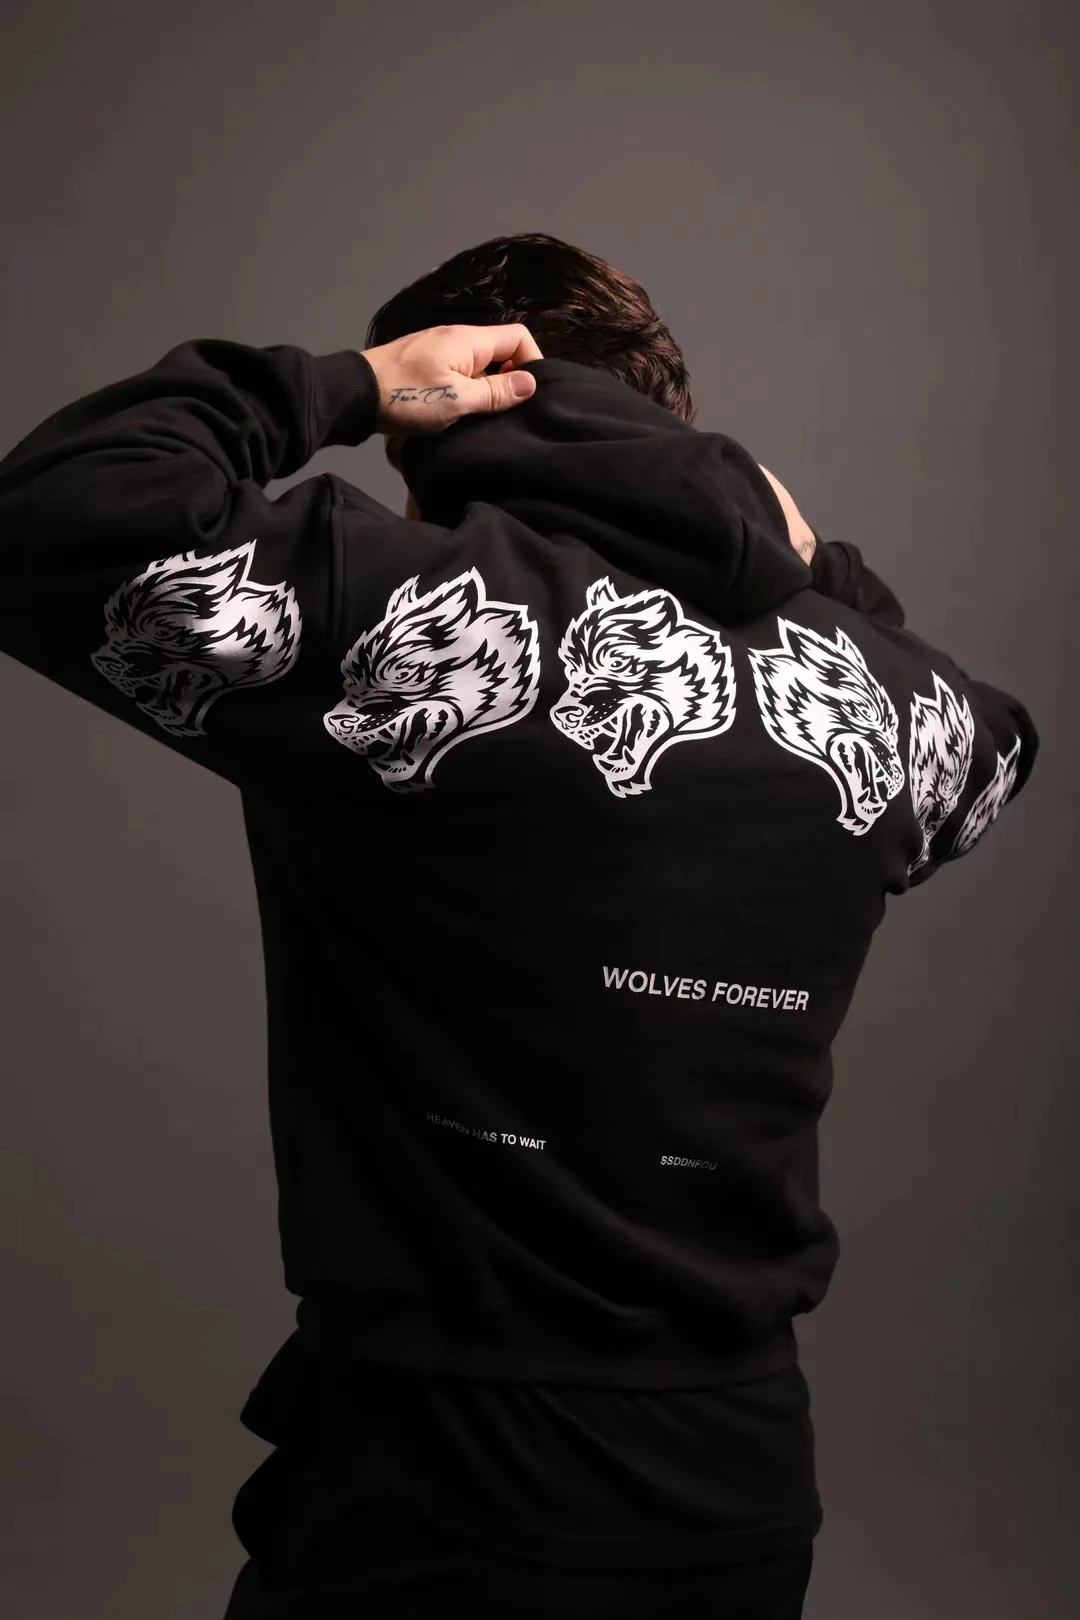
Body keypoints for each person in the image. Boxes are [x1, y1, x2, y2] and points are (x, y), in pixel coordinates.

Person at [0, 233, 1037, 1619]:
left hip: (444, 1491)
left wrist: (346, 386)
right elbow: (996, 747)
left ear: (462, 408)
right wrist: (807, 561)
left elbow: (52, 514)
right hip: (739, 1487)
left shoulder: (409, 610)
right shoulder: (882, 698)